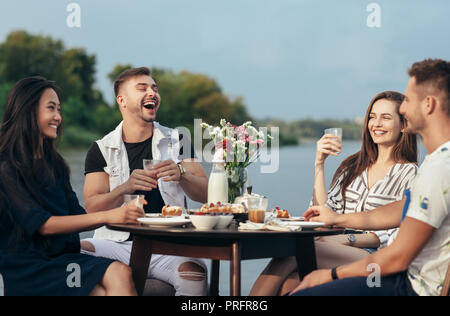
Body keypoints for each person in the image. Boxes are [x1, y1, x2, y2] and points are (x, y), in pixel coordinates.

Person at [291, 58, 450, 296]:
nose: (403, 108)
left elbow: (398, 256)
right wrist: (336, 218)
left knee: (303, 279)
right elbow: (396, 211)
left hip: (409, 286)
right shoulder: (435, 163)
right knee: (293, 279)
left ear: (428, 104)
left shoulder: (437, 169)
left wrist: (332, 274)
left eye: (407, 99)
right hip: (398, 274)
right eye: (373, 117)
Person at [250, 91, 418, 296]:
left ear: (403, 125)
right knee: (289, 285)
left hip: (376, 260)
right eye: (372, 117)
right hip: (334, 249)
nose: (377, 124)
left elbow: (395, 231)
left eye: (386, 118)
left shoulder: (409, 173)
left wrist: (347, 239)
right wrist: (319, 164)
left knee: (296, 251)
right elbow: (324, 215)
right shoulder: (352, 167)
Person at [0, 77, 145, 296]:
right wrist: (110, 216)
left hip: (63, 260)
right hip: (31, 269)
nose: (58, 117)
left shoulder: (55, 164)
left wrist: (125, 209)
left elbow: (77, 216)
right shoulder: (7, 166)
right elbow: (44, 225)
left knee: (120, 272)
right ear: (28, 110)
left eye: (59, 109)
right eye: (51, 108)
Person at [80, 67, 209, 296]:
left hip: (171, 245)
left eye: (154, 88)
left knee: (194, 276)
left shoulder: (177, 139)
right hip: (116, 244)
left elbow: (207, 195)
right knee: (72, 253)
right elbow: (92, 207)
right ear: (122, 100)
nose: (152, 93)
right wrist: (124, 188)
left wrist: (182, 174)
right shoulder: (100, 148)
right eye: (142, 88)